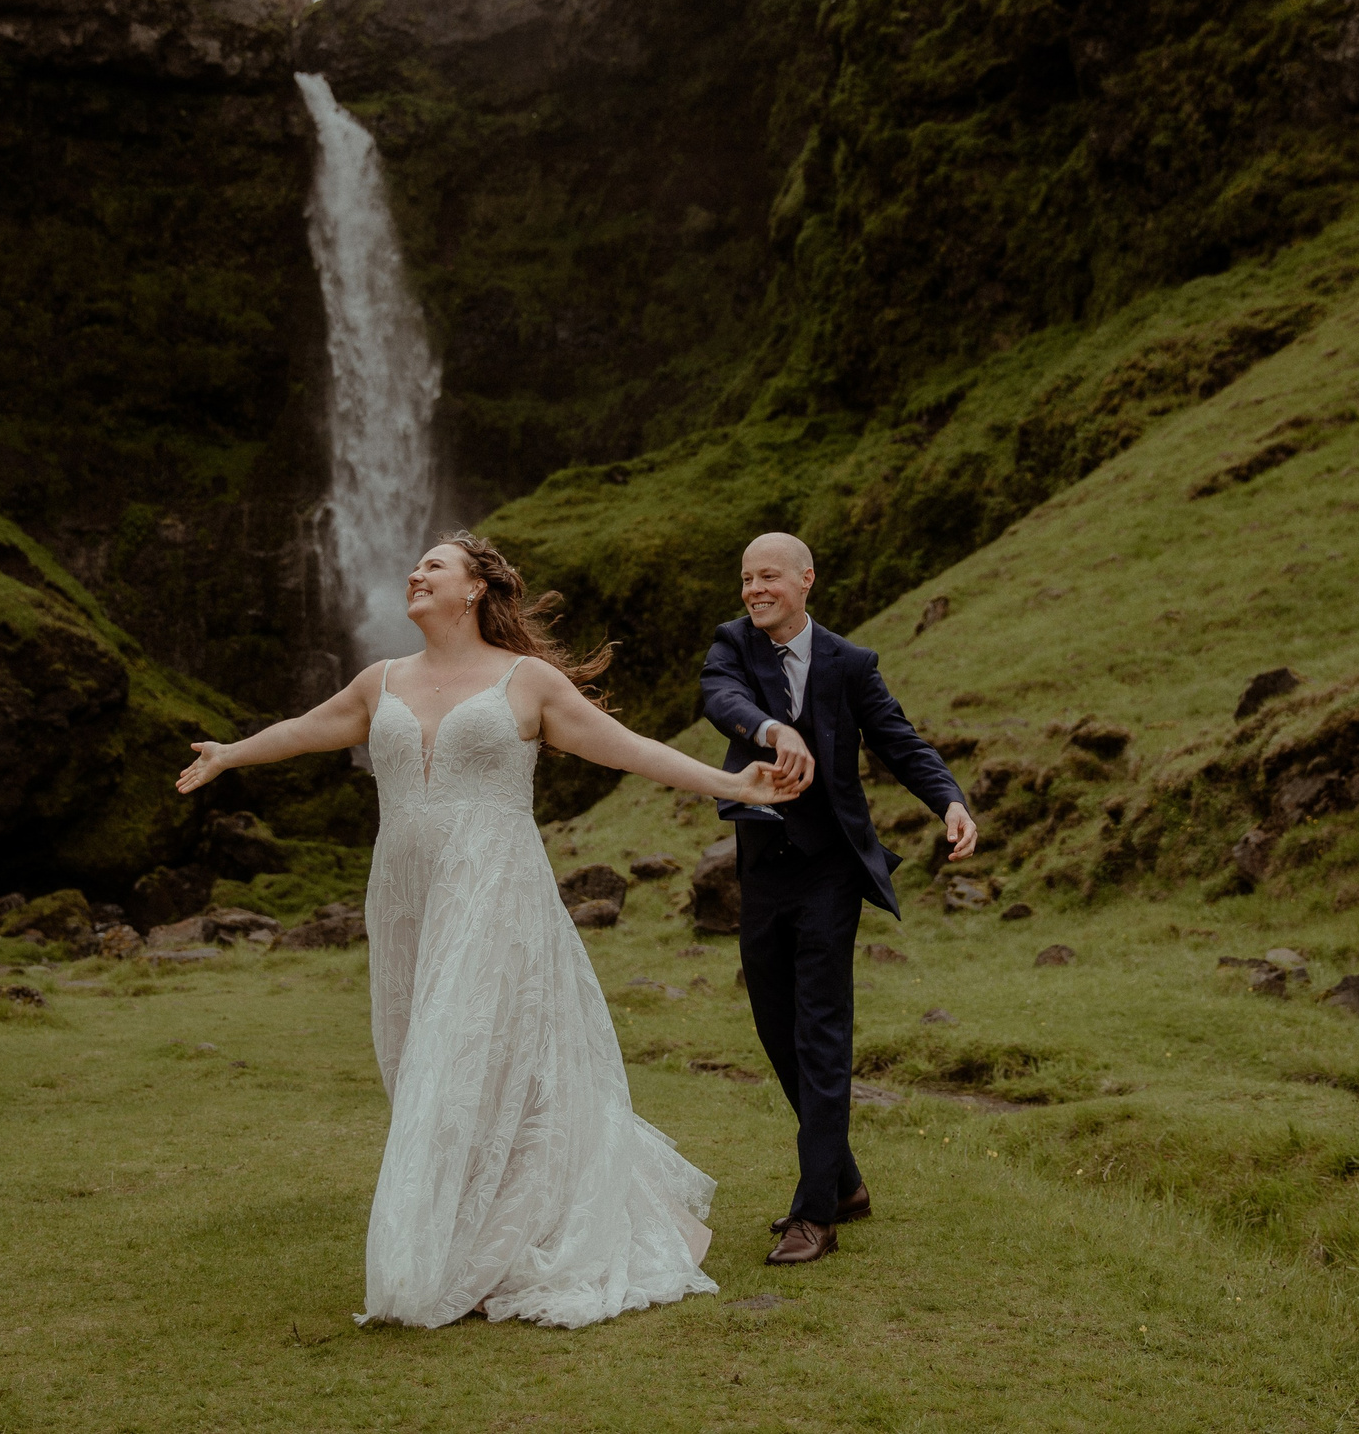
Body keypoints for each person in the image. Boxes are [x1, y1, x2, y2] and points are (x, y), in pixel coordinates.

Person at [175, 531, 794, 1328]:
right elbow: (305, 727)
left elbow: (624, 750)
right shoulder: (381, 680)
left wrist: (727, 779)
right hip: (405, 894)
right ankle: (466, 1227)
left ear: (473, 590)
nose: (415, 572)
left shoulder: (525, 679)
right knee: (414, 1055)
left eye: (433, 564)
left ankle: (462, 1254)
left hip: (494, 889)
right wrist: (229, 753)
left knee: (465, 1056)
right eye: (415, 564)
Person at [700, 531, 975, 1266]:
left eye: (768, 577)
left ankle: (814, 1211)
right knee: (776, 1027)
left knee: (821, 1032)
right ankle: (846, 1179)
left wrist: (948, 800)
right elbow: (716, 697)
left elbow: (899, 740)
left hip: (830, 874)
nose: (754, 590)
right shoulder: (732, 644)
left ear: (806, 580)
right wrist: (767, 727)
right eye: (745, 577)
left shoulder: (852, 664)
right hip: (760, 870)